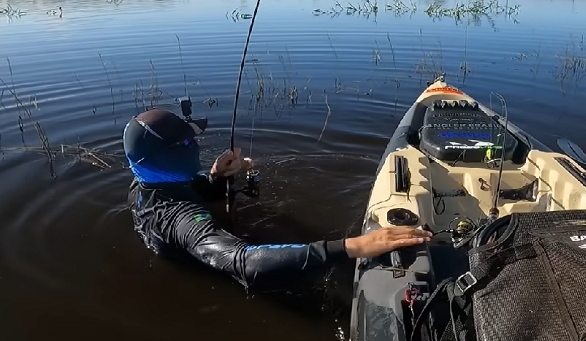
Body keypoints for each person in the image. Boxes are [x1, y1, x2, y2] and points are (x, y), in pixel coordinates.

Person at [123, 108, 432, 289]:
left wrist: (217, 178)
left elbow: (185, 188)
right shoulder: (183, 220)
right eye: (190, 141)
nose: (196, 145)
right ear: (175, 155)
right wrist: (354, 246)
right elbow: (242, 261)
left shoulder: (143, 186)